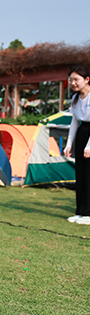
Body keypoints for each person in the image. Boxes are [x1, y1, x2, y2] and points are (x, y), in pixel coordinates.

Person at [64, 65, 90, 225]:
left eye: (76, 79)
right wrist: (69, 144)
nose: (73, 83)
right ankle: (80, 211)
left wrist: (89, 146)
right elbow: (74, 121)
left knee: (89, 175)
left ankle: (88, 213)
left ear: (87, 80)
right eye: (71, 80)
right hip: (82, 133)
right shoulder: (75, 99)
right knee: (80, 174)